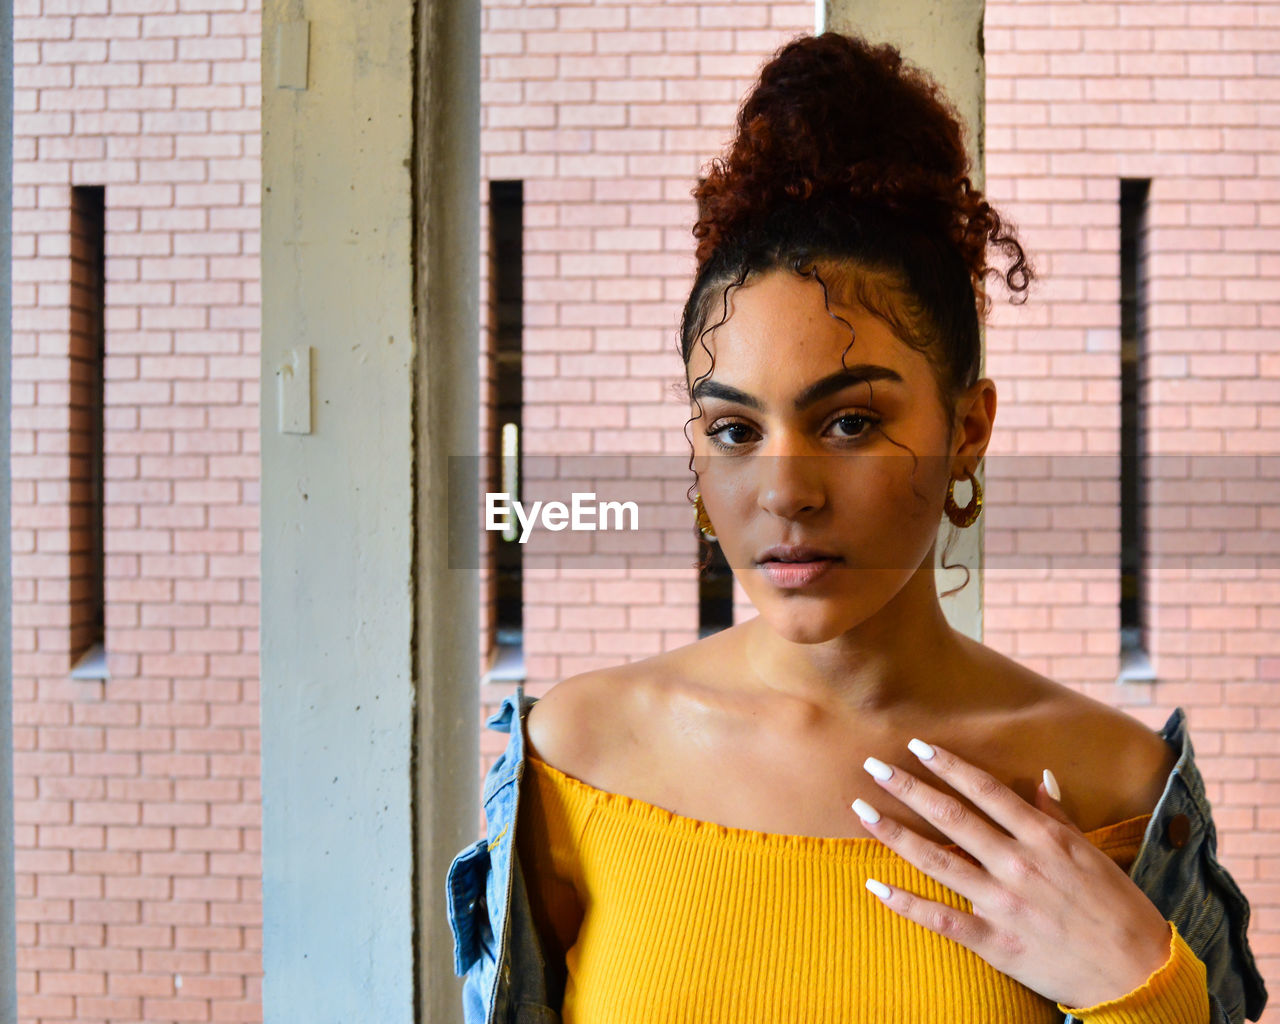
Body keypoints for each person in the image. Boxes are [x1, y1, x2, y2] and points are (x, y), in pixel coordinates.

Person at [446, 30, 1269, 1024]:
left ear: (966, 428)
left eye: (849, 421)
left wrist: (1143, 990)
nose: (785, 490)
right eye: (734, 429)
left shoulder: (1111, 786)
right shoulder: (575, 756)